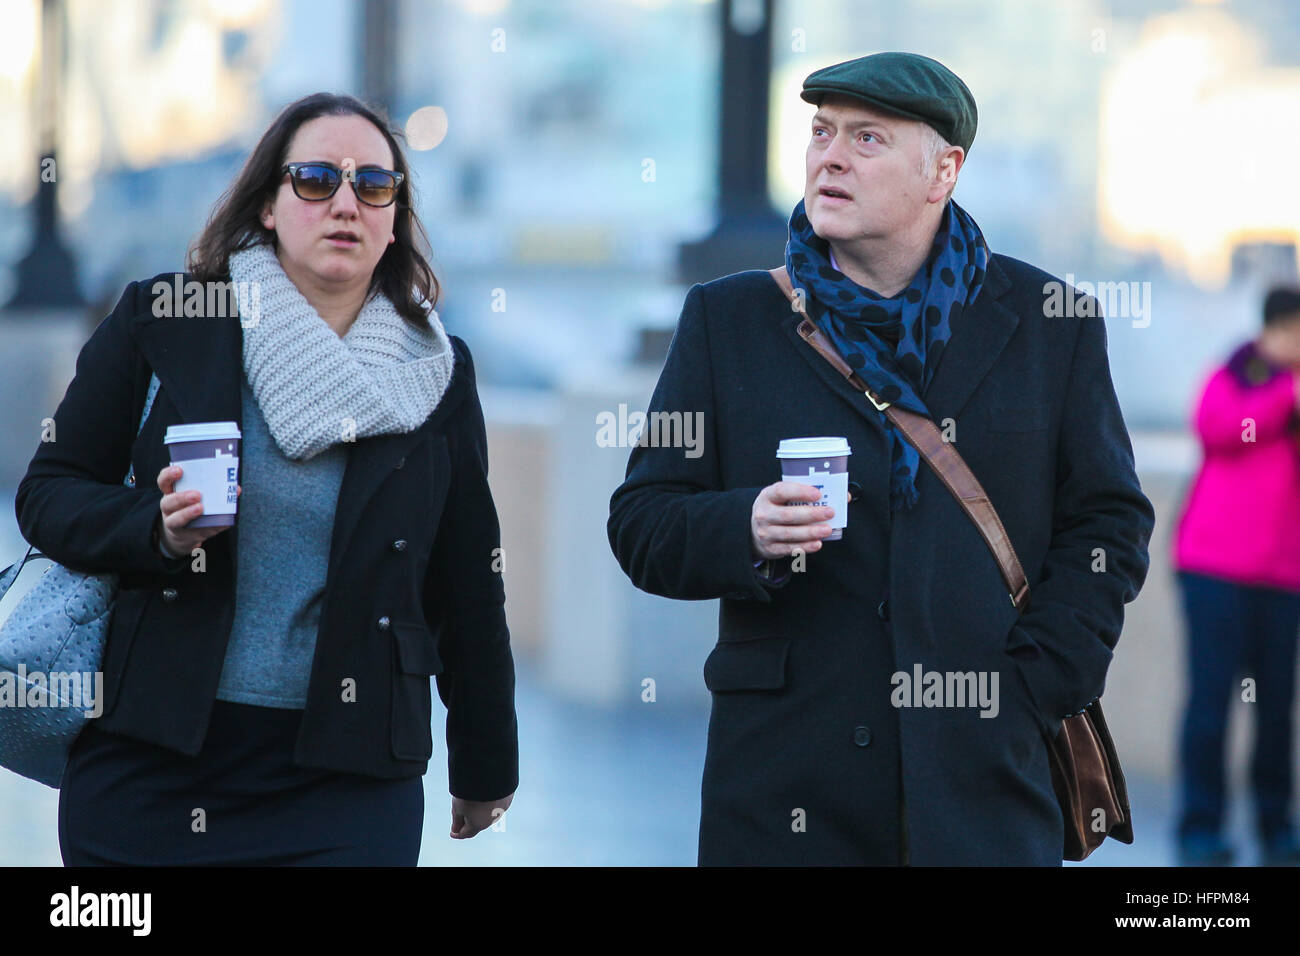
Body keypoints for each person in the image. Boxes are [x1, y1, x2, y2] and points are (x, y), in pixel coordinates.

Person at [607, 52, 1155, 865]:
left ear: (943, 172)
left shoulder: (1052, 321)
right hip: (784, 789)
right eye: (822, 132)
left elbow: (1108, 521)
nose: (829, 155)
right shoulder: (729, 319)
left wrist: (1037, 685)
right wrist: (744, 525)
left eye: (867, 139)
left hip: (983, 788)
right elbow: (643, 522)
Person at [15, 92, 518, 865]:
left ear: (394, 217)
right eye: (316, 179)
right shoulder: (170, 320)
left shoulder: (437, 377)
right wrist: (155, 528)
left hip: (346, 781)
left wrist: (486, 763)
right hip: (152, 759)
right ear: (269, 205)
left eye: (373, 186)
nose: (345, 203)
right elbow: (49, 495)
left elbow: (467, 581)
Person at [1170, 286, 1300, 867]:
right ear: (1272, 329)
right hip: (1215, 572)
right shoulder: (1237, 373)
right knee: (1211, 705)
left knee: (1275, 712)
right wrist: (1285, 399)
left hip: (1283, 577)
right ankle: (1201, 829)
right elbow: (1218, 428)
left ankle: (1276, 829)